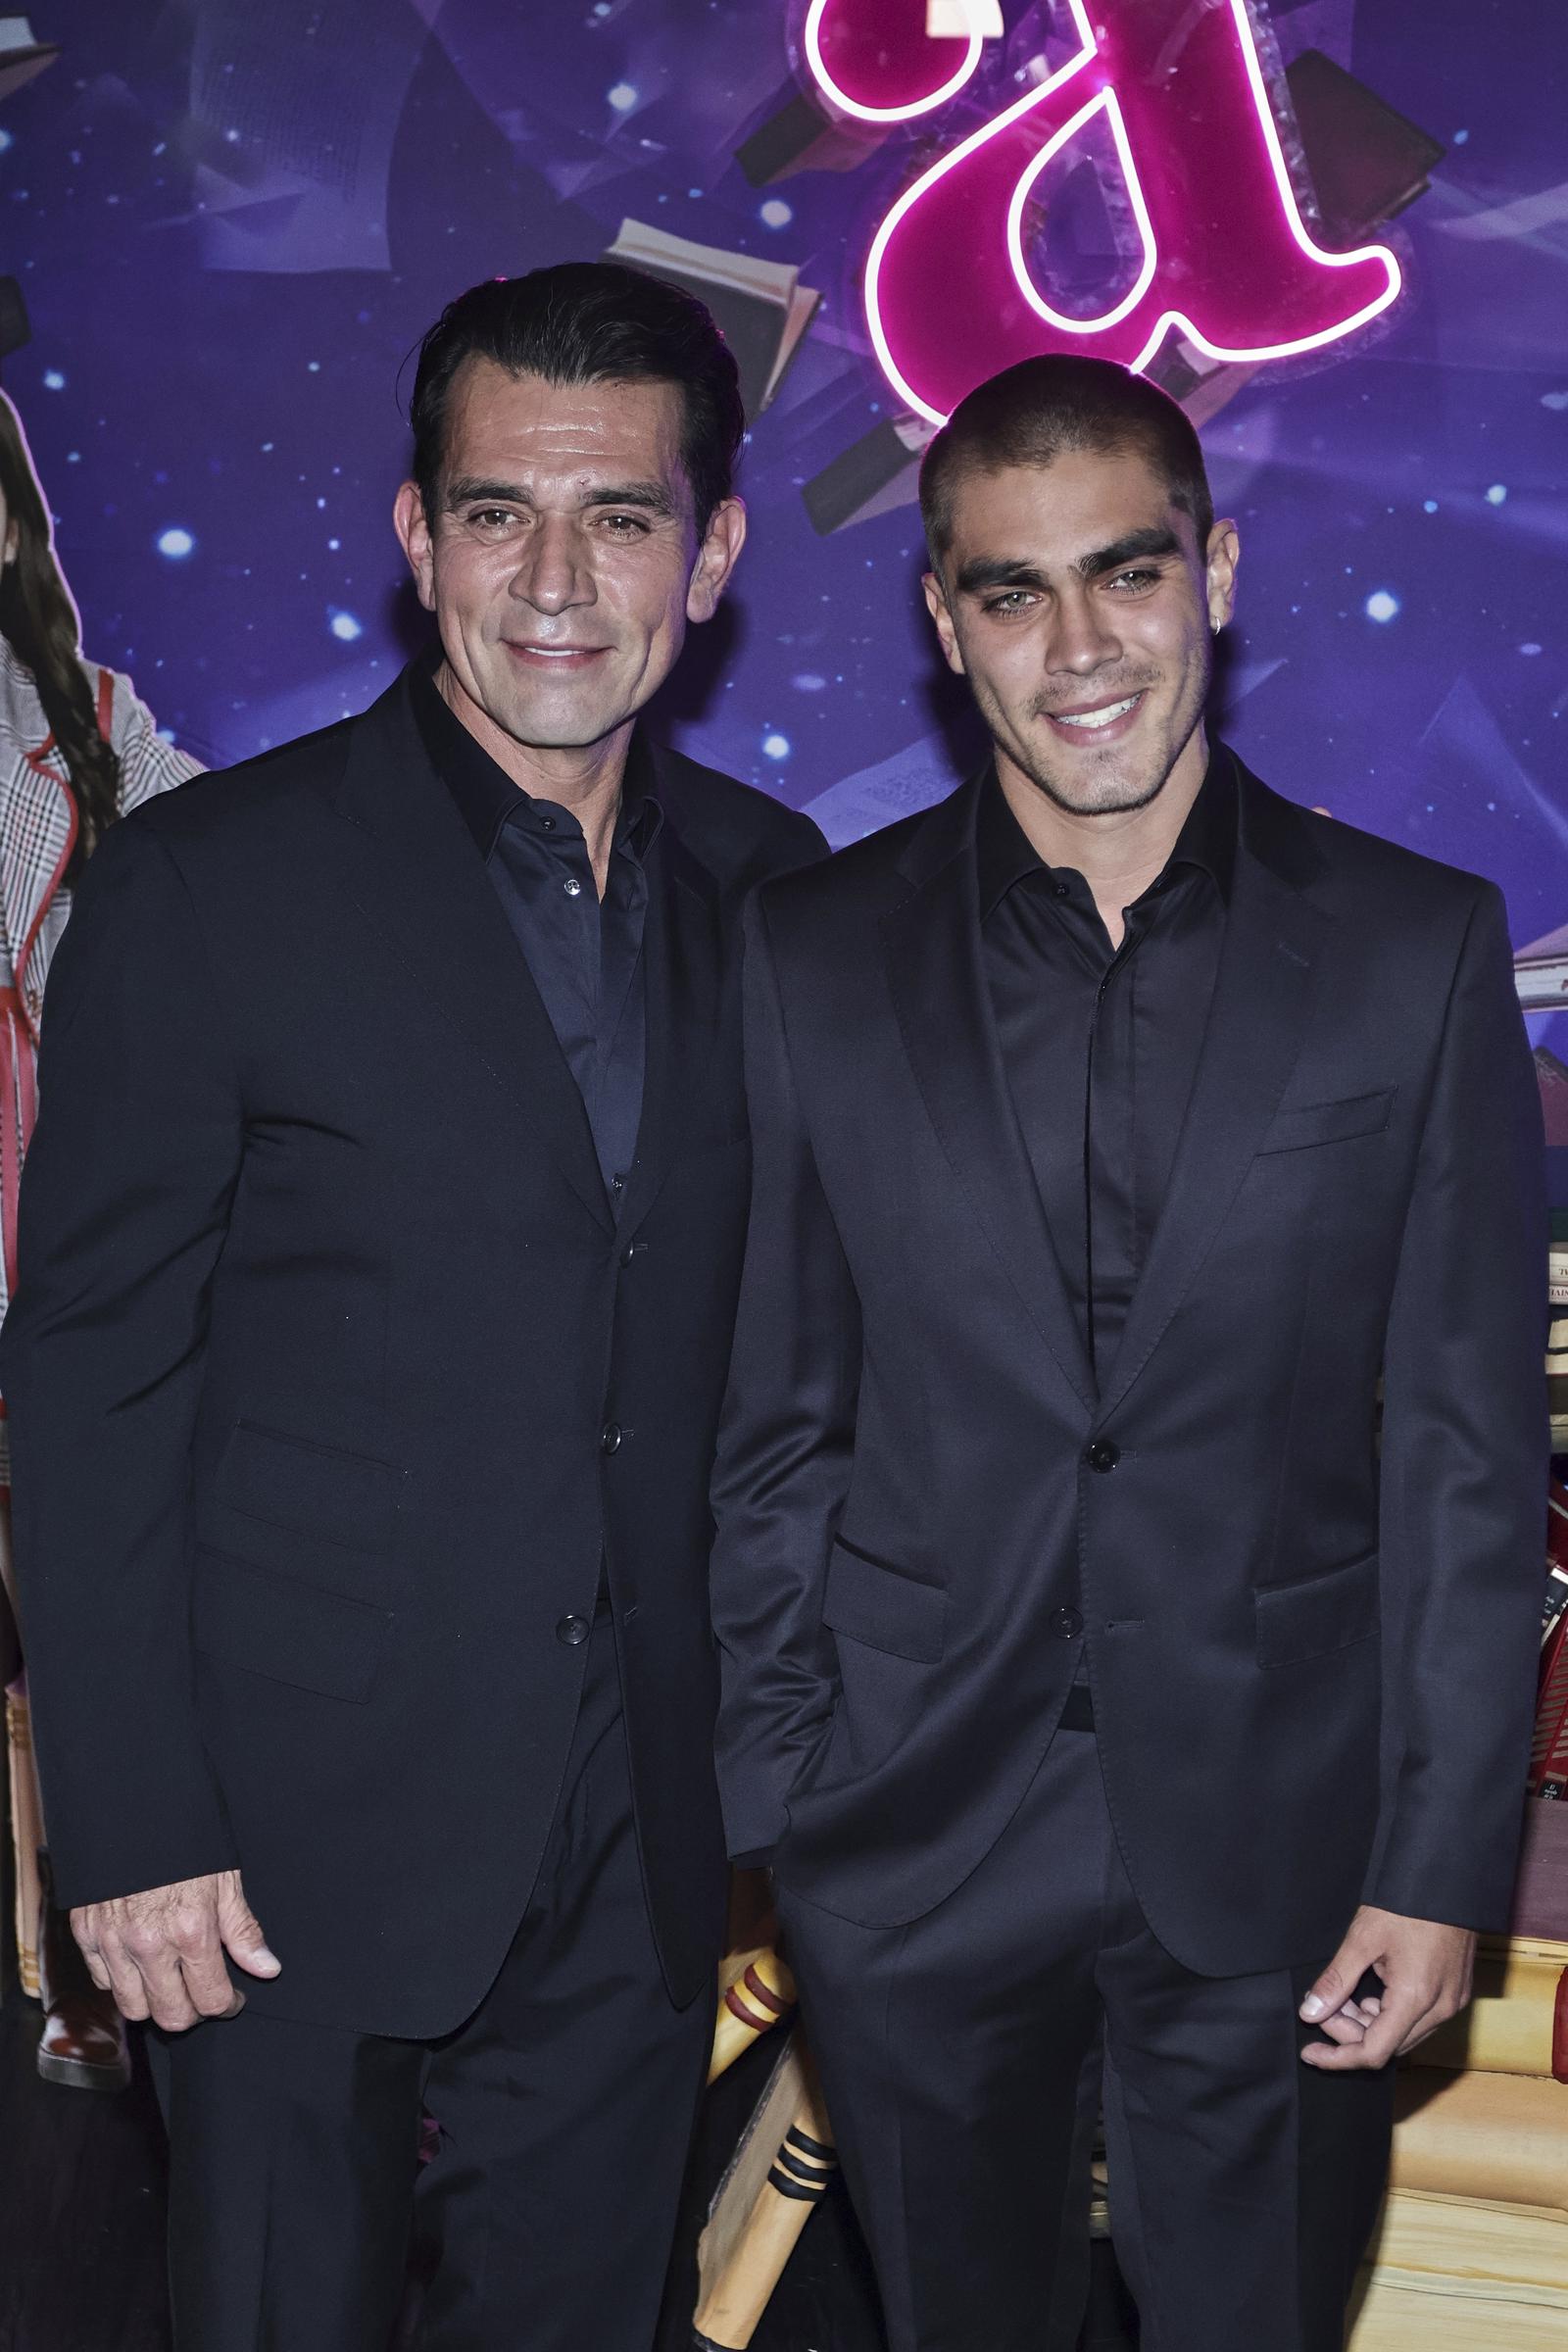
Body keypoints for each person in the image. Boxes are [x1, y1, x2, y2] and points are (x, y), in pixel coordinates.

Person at [1, 262, 822, 2349]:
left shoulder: (782, 886)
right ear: (412, 534)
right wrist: (132, 1827)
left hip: (647, 1846)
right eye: (492, 513)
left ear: (711, 554)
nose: (552, 580)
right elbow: (88, 1385)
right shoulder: (207, 887)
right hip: (270, 1858)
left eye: (620, 517)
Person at [709, 354, 1545, 2352]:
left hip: (1284, 1852)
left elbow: (1460, 1447)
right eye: (1008, 590)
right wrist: (800, 1808)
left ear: (1215, 573)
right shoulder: (808, 956)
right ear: (941, 621)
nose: (1076, 645)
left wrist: (1439, 1867)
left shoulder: (1409, 946)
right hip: (910, 1847)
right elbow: (764, 1424)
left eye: (1126, 573)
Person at [0, 386, 202, 2093]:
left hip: (61, 1225)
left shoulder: (93, 724)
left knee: (80, 1609)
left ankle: (87, 1976)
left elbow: (237, 870)